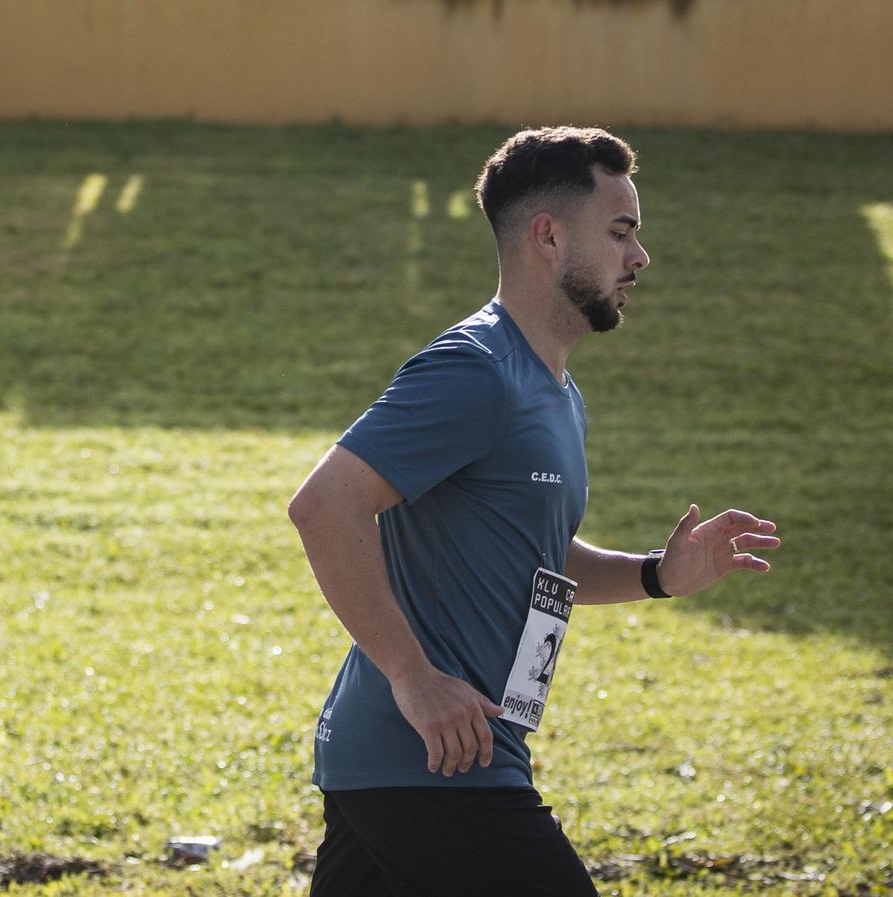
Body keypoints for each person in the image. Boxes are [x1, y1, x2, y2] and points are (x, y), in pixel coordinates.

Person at [287, 126, 781, 896]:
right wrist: (413, 676)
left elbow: (538, 559)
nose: (639, 257)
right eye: (620, 232)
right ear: (548, 236)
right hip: (434, 763)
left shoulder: (554, 390)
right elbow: (324, 505)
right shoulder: (475, 369)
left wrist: (656, 574)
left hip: (414, 760)